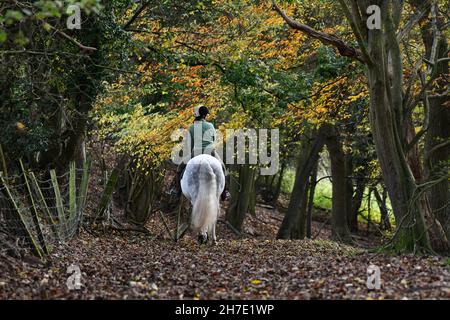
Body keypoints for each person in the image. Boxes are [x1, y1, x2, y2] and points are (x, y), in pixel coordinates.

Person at [174, 105, 227, 199]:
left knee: (179, 168)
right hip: (210, 151)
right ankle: (224, 192)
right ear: (205, 115)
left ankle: (177, 191)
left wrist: (190, 154)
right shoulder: (210, 125)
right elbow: (214, 139)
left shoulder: (191, 127)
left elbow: (190, 144)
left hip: (197, 152)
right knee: (222, 167)